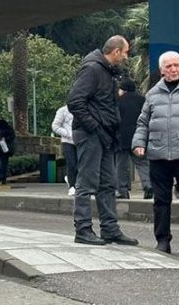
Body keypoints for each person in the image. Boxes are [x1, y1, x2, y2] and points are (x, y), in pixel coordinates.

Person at [67, 35, 138, 246]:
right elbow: (74, 101)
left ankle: (110, 229)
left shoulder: (108, 71)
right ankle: (83, 229)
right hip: (91, 134)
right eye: (125, 52)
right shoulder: (93, 69)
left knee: (108, 183)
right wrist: (94, 127)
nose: (126, 57)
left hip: (106, 135)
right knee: (87, 182)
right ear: (116, 52)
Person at [133, 51, 179, 254]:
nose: (173, 69)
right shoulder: (153, 94)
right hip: (158, 155)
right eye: (168, 66)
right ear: (162, 70)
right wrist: (139, 143)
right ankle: (163, 240)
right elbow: (143, 123)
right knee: (161, 201)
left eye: (176, 65)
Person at [116, 78, 151, 199]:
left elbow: (115, 119)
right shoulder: (142, 100)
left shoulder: (118, 101)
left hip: (122, 137)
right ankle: (148, 186)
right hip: (139, 136)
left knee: (121, 165)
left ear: (123, 89)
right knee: (142, 163)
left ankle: (123, 191)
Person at [51, 105, 78, 196]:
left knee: (80, 164)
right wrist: (67, 134)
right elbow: (55, 126)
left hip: (80, 141)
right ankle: (72, 186)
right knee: (71, 163)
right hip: (67, 142)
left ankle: (75, 182)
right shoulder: (62, 110)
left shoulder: (82, 109)